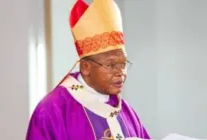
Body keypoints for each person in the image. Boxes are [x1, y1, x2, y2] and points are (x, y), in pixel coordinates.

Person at [26, 0, 151, 139]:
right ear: (86, 67)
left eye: (123, 64)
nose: (120, 72)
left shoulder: (126, 112)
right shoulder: (52, 111)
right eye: (111, 65)